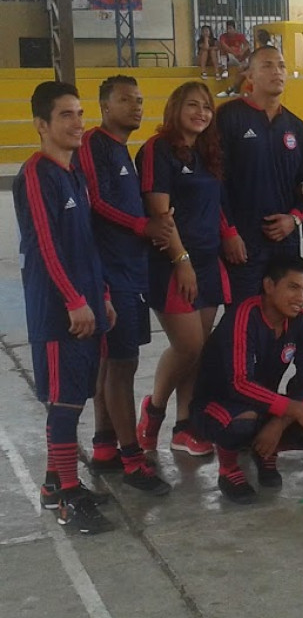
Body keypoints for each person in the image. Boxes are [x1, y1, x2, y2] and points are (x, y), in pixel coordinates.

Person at [14, 81, 117, 534]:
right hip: (59, 312)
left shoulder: (75, 174)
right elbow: (45, 245)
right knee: (64, 403)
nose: (77, 123)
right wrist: (74, 300)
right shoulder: (37, 174)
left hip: (87, 304)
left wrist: (102, 294)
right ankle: (68, 499)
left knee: (72, 397)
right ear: (42, 125)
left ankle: (55, 484)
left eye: (79, 113)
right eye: (65, 115)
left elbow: (87, 244)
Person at [74, 75, 173, 495]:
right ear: (104, 106)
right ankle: (133, 460)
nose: (136, 106)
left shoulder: (123, 151)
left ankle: (104, 446)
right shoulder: (93, 143)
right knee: (122, 366)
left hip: (131, 271)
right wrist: (141, 225)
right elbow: (96, 201)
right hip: (111, 275)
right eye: (125, 100)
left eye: (139, 99)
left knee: (112, 362)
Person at [135, 81, 237, 457]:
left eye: (207, 107)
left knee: (199, 351)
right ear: (175, 108)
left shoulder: (207, 153)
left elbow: (215, 204)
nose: (201, 112)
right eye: (193, 105)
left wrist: (229, 234)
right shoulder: (157, 149)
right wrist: (182, 262)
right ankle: (154, 410)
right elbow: (159, 214)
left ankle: (185, 427)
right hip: (172, 265)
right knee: (188, 345)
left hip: (209, 262)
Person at [191, 255, 303, 504]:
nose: (302, 298)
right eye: (293, 287)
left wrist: (280, 423)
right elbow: (239, 383)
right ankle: (228, 469)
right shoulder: (243, 316)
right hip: (219, 404)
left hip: (265, 405)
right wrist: (294, 410)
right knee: (242, 424)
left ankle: (268, 451)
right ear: (269, 286)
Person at [217, 45, 303, 302]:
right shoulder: (228, 117)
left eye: (281, 66)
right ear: (250, 76)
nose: (277, 71)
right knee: (245, 315)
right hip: (243, 241)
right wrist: (228, 232)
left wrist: (294, 219)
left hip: (285, 242)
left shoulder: (297, 127)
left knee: (285, 313)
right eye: (267, 65)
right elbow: (215, 181)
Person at [216, 20, 251, 91]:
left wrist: (242, 52)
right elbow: (224, 45)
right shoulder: (223, 36)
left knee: (248, 51)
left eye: (230, 28)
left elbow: (247, 45)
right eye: (227, 28)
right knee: (222, 49)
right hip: (229, 57)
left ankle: (246, 64)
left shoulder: (240, 36)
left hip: (238, 58)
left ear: (234, 29)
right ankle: (225, 70)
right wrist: (233, 52)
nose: (228, 30)